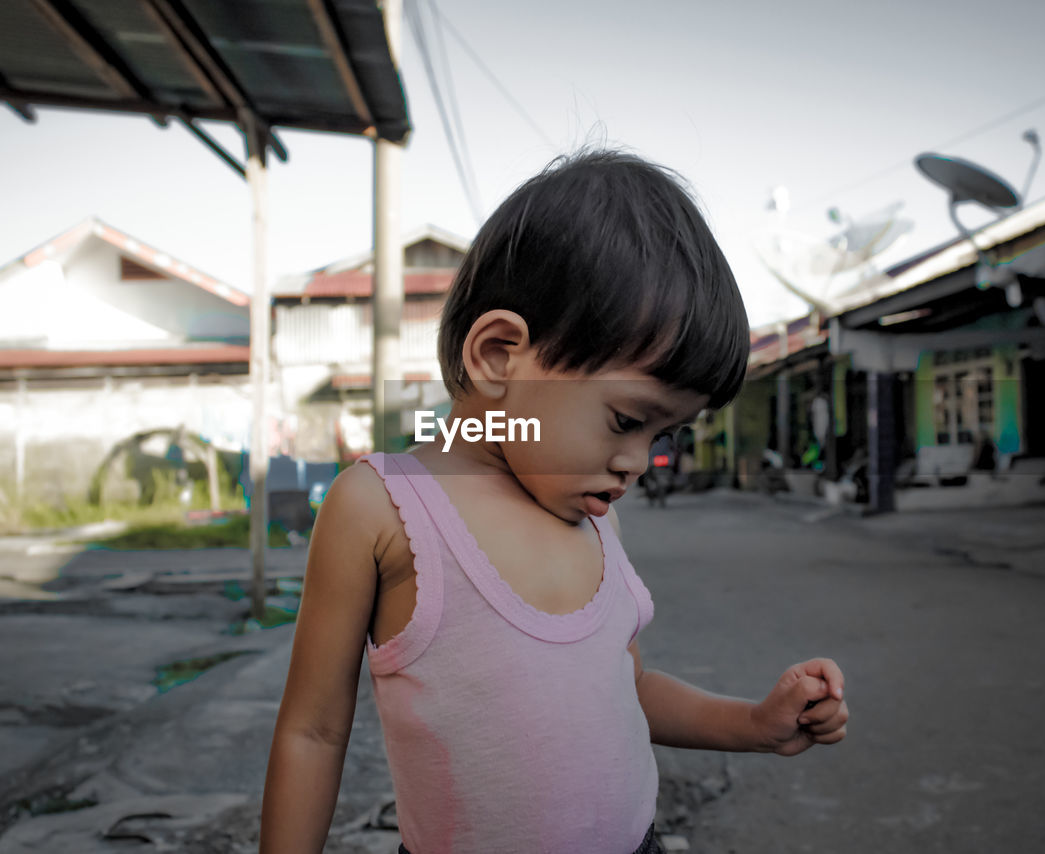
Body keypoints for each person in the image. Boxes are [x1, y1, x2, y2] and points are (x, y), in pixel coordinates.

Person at [259, 149, 849, 854]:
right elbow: (313, 730)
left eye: (667, 432)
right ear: (501, 357)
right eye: (628, 420)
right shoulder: (384, 507)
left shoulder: (595, 517)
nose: (639, 461)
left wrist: (751, 723)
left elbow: (622, 689)